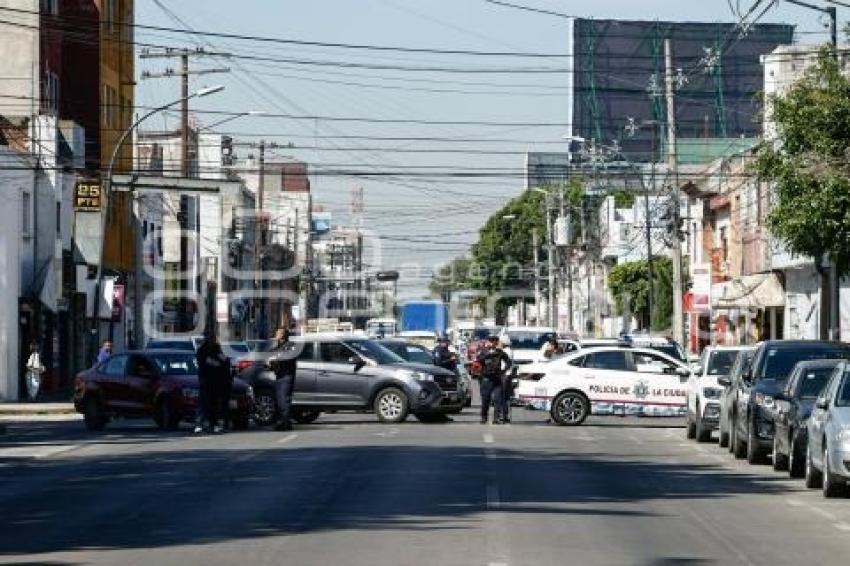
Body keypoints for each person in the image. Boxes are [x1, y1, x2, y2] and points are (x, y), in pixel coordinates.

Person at [196, 332, 228, 433]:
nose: (213, 340)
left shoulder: (217, 349)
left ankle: (214, 424)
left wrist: (222, 363)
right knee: (203, 403)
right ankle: (200, 424)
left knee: (214, 404)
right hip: (205, 381)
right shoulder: (202, 350)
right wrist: (218, 364)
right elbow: (205, 362)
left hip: (216, 382)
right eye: (211, 338)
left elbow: (224, 360)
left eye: (214, 338)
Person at [476, 336, 512, 424]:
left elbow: (508, 361)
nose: (493, 343)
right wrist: (489, 354)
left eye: (495, 341)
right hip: (486, 378)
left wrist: (504, 371)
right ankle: (484, 417)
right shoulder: (484, 351)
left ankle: (496, 418)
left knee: (497, 399)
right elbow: (479, 359)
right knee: (486, 399)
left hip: (497, 378)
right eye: (491, 341)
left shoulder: (500, 352)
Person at [269, 327, 297, 431]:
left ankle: (284, 422)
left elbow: (288, 358)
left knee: (284, 400)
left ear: (283, 335)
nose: (276, 335)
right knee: (279, 400)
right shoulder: (276, 348)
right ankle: (284, 422)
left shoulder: (290, 346)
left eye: (278, 333)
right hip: (279, 376)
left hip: (286, 376)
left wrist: (276, 357)